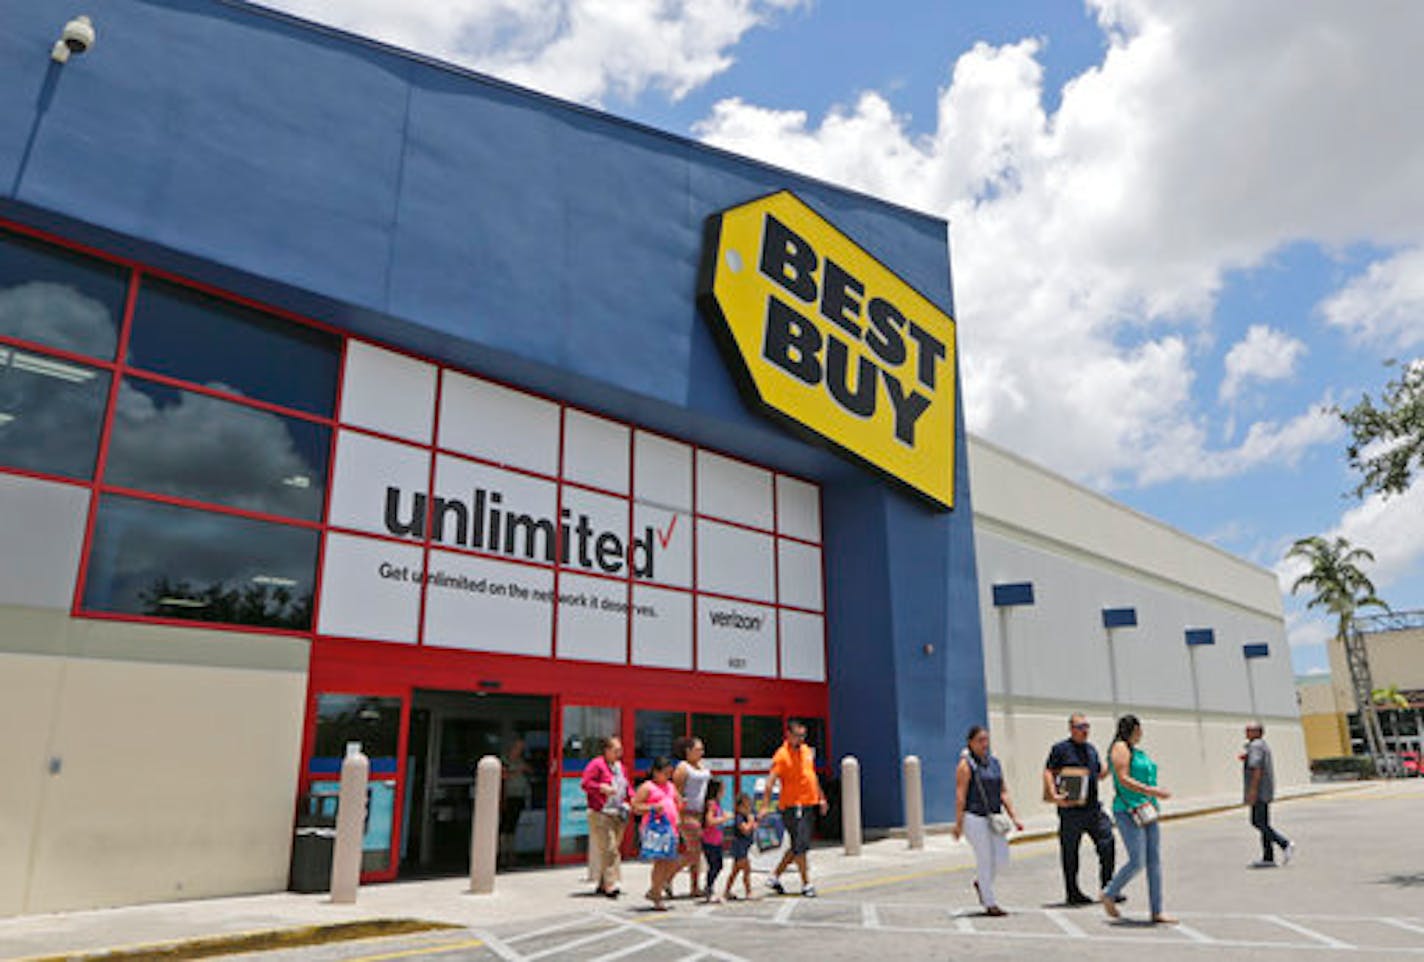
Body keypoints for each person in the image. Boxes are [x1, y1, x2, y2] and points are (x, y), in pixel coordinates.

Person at [1101, 714, 1175, 924]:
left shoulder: (1136, 751)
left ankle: (1157, 910)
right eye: (1139, 729)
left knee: (1154, 861)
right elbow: (1123, 779)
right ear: (1133, 729)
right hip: (1127, 810)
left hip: (1146, 809)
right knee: (1137, 860)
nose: (1142, 733)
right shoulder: (1120, 748)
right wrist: (1152, 790)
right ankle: (1109, 892)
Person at [1043, 713, 1116, 906]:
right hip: (1070, 811)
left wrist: (1111, 765)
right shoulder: (1060, 749)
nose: (1085, 731)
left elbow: (1099, 774)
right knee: (1070, 852)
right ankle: (1072, 893)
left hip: (1093, 809)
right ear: (1071, 729)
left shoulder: (1091, 750)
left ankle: (1108, 889)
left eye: (1087, 726)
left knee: (1107, 842)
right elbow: (1049, 772)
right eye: (1081, 727)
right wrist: (1054, 796)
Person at [951, 725, 1024, 916]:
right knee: (985, 858)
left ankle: (981, 884)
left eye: (986, 740)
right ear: (970, 742)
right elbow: (960, 795)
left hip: (994, 818)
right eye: (980, 740)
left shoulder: (994, 763)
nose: (984, 744)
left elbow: (1003, 792)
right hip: (973, 817)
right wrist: (958, 824)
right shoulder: (966, 765)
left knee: (1002, 859)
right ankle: (990, 903)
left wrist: (1014, 816)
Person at [761, 719, 828, 897]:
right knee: (801, 846)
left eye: (803, 735)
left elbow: (811, 776)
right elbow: (770, 783)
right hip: (793, 806)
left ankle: (774, 876)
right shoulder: (782, 755)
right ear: (788, 735)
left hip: (808, 803)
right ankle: (807, 884)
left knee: (799, 845)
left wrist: (821, 798)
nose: (801, 739)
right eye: (797, 736)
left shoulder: (806, 751)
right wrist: (765, 806)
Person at [579, 735, 632, 898]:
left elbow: (627, 786)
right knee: (609, 849)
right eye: (616, 750)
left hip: (618, 812)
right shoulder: (597, 764)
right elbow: (585, 783)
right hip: (601, 812)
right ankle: (611, 884)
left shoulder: (620, 767)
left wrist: (632, 799)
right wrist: (600, 787)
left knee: (613, 849)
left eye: (620, 750)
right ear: (606, 750)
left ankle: (602, 883)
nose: (619, 753)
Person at [631, 756, 682, 911]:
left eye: (670, 773)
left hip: (670, 829)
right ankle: (657, 895)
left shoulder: (671, 786)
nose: (668, 776)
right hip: (655, 830)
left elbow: (676, 802)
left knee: (671, 862)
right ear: (655, 772)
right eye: (665, 773)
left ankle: (655, 889)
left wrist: (678, 813)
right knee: (661, 862)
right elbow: (635, 806)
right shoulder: (647, 787)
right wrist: (652, 807)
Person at [1242, 721, 1294, 868]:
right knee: (1264, 823)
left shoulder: (1255, 746)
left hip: (1259, 792)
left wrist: (1252, 791)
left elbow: (1256, 768)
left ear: (1258, 732)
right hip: (1265, 790)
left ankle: (1285, 844)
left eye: (1249, 730)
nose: (1246, 732)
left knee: (1257, 822)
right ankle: (1268, 857)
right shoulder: (1262, 745)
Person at [673, 735, 713, 897]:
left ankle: (694, 886)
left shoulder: (701, 766)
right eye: (698, 749)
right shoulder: (683, 768)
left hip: (700, 813)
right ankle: (667, 877)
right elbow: (676, 790)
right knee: (694, 851)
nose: (701, 752)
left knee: (696, 852)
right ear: (688, 751)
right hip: (687, 813)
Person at [499, 736, 533, 869]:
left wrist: (526, 768)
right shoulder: (504, 760)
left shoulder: (521, 760)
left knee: (513, 824)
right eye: (518, 747)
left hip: (519, 796)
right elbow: (503, 775)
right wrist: (517, 771)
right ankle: (502, 854)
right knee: (505, 825)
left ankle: (511, 852)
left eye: (522, 748)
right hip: (508, 796)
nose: (520, 750)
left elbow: (530, 770)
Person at [701, 779, 732, 902]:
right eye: (722, 790)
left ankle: (709, 888)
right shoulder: (712, 804)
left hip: (716, 840)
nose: (724, 792)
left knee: (717, 865)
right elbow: (710, 821)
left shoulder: (717, 804)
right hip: (710, 840)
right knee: (715, 865)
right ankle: (708, 889)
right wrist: (724, 818)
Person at [722, 792, 757, 901]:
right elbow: (745, 830)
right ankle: (749, 891)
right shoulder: (739, 818)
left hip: (745, 847)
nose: (748, 809)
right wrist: (751, 822)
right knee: (746, 869)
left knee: (735, 871)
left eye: (749, 806)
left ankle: (726, 891)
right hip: (739, 847)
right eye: (745, 806)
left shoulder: (746, 816)